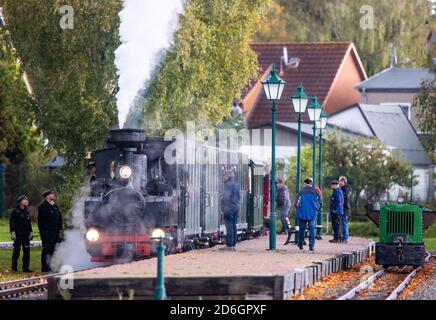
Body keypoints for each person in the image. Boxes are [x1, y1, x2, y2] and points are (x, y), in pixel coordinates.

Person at [38, 190, 63, 272]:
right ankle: (45, 267)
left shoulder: (55, 206)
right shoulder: (43, 206)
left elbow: (59, 218)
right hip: (47, 233)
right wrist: (51, 207)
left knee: (53, 250)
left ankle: (50, 265)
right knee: (46, 250)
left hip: (55, 232)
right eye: (52, 194)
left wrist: (60, 230)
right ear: (47, 196)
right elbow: (45, 216)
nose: (53, 195)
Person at [295, 179, 321, 251]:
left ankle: (301, 244)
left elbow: (296, 204)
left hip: (302, 213)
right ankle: (311, 246)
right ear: (311, 184)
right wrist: (316, 211)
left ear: (305, 184)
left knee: (302, 229)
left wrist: (298, 209)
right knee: (312, 229)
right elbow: (320, 203)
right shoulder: (316, 192)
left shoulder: (301, 192)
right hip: (312, 214)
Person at [9, 195, 33, 272]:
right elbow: (12, 222)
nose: (27, 201)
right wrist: (12, 231)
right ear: (21, 202)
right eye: (25, 200)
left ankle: (26, 268)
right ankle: (14, 267)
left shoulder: (27, 211)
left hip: (26, 235)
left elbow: (29, 223)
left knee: (27, 252)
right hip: (18, 235)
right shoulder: (15, 211)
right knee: (16, 251)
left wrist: (31, 231)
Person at [220, 170, 240, 251]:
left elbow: (226, 196)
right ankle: (233, 244)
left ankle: (229, 244)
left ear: (227, 176)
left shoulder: (227, 185)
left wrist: (223, 206)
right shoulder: (236, 184)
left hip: (229, 207)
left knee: (229, 226)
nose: (223, 178)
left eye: (224, 176)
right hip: (236, 206)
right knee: (234, 225)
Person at [339, 176, 350, 243]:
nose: (339, 182)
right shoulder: (345, 189)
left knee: (344, 222)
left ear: (343, 181)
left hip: (344, 209)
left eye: (340, 180)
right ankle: (344, 237)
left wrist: (341, 207)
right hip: (345, 208)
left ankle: (345, 238)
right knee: (343, 222)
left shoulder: (344, 189)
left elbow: (345, 200)